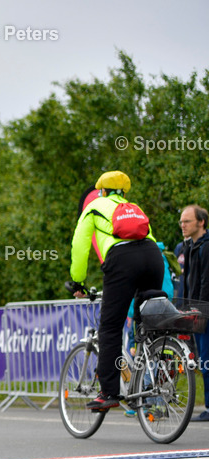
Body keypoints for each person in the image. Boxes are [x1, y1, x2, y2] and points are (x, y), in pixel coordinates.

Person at [69, 170, 163, 411]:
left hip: (122, 261)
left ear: (101, 190)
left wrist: (77, 281)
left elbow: (80, 245)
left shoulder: (94, 206)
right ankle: (160, 373)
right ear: (123, 192)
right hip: (153, 258)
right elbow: (149, 237)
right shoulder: (135, 208)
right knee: (149, 321)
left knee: (110, 327)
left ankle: (109, 392)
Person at [179, 204, 209, 421]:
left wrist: (199, 311)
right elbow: (186, 282)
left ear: (201, 222)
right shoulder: (188, 247)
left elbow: (206, 283)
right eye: (181, 221)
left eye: (187, 221)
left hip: (204, 311)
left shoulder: (206, 247)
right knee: (202, 360)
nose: (183, 225)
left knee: (207, 360)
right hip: (194, 311)